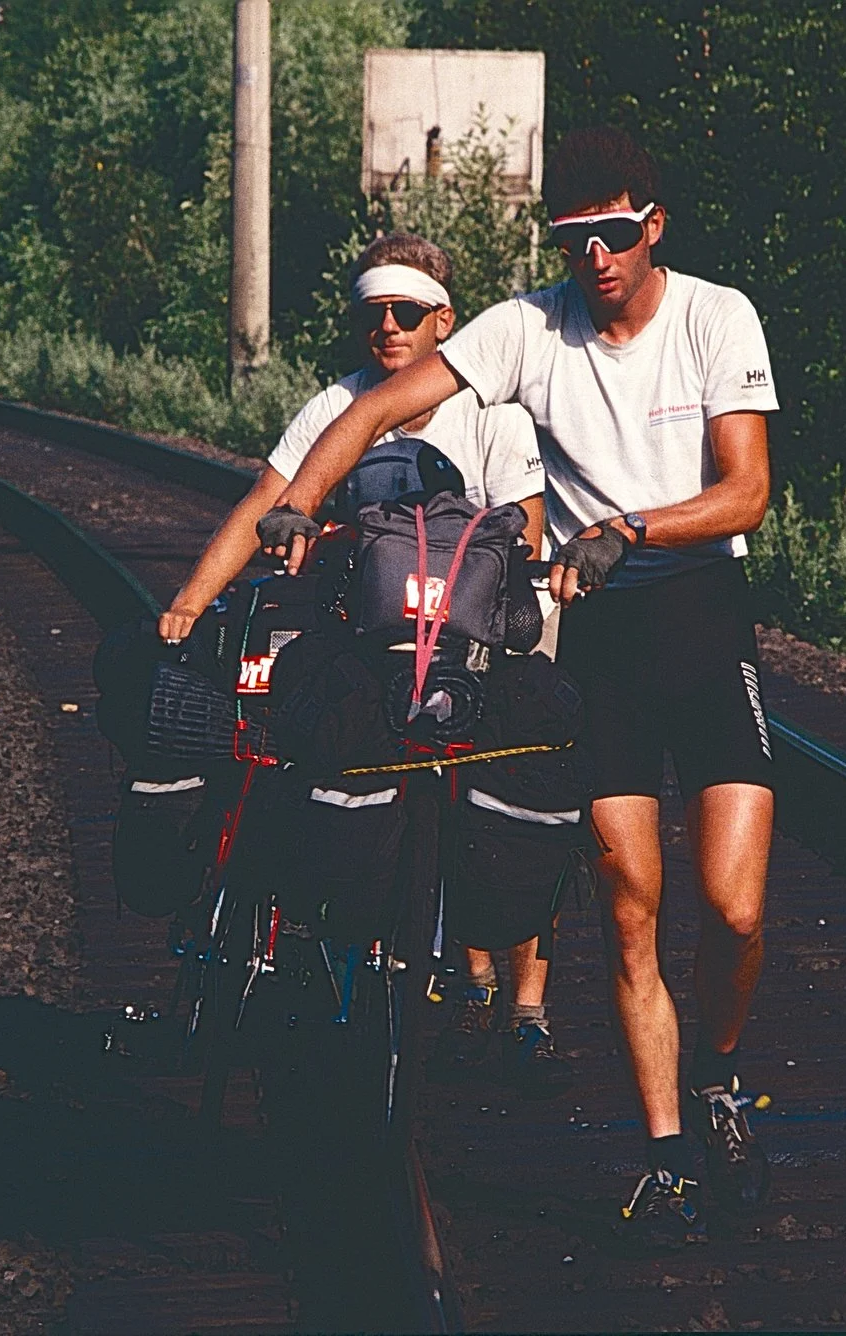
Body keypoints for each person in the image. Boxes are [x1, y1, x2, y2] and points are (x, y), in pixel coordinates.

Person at [257, 128, 780, 1248]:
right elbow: (376, 408)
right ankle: (666, 1155)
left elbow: (745, 493)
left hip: (697, 614)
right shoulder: (528, 326)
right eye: (570, 238)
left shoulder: (713, 317)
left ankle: (721, 1078)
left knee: (733, 907)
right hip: (602, 637)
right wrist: (301, 498)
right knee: (628, 909)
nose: (591, 258)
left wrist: (625, 526)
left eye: (610, 234)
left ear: (651, 228)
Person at [156, 233, 573, 1093]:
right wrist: (191, 603)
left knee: (512, 777)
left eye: (408, 313)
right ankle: (408, 948)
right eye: (374, 314)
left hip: (472, 618)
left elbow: (526, 525)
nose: (389, 327)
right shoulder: (337, 407)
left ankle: (524, 1001)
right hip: (375, 630)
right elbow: (264, 503)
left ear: (444, 322)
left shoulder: (492, 413)